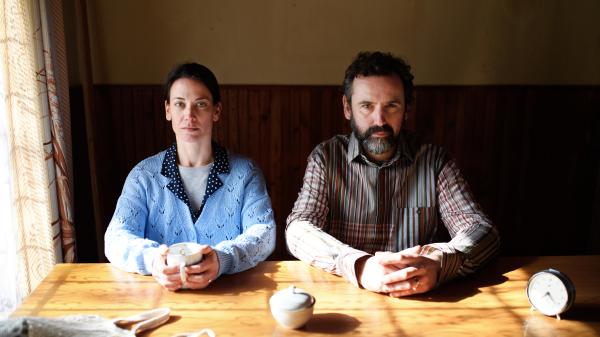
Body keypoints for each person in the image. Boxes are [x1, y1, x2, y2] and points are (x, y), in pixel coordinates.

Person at [286, 52, 500, 297]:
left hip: (419, 298)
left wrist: (441, 263)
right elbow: (298, 228)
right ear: (347, 108)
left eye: (391, 105)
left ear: (406, 109)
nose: (380, 120)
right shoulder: (325, 159)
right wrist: (360, 266)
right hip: (347, 297)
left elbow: (482, 231)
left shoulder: (435, 161)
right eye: (367, 106)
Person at [105, 63, 275, 291]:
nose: (189, 115)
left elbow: (263, 233)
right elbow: (116, 237)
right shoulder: (143, 175)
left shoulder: (245, 172)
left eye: (201, 104)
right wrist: (152, 259)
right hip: (161, 298)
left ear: (216, 111)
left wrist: (222, 258)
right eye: (179, 104)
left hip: (230, 298)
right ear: (168, 110)